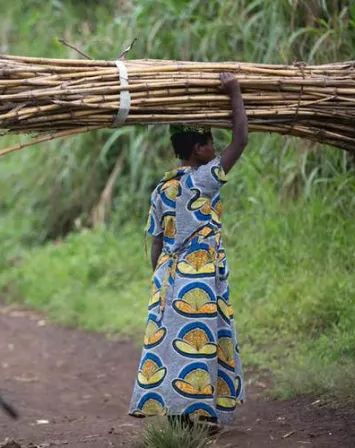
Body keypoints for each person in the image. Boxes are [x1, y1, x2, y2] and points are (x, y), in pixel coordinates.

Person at [127, 72, 249, 433]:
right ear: (198, 149)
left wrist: (158, 281)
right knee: (202, 341)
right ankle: (197, 417)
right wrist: (235, 92)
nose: (216, 147)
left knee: (176, 345)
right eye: (210, 142)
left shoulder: (161, 187)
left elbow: (155, 242)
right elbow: (241, 139)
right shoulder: (206, 178)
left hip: (168, 276)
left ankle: (182, 417)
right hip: (199, 274)